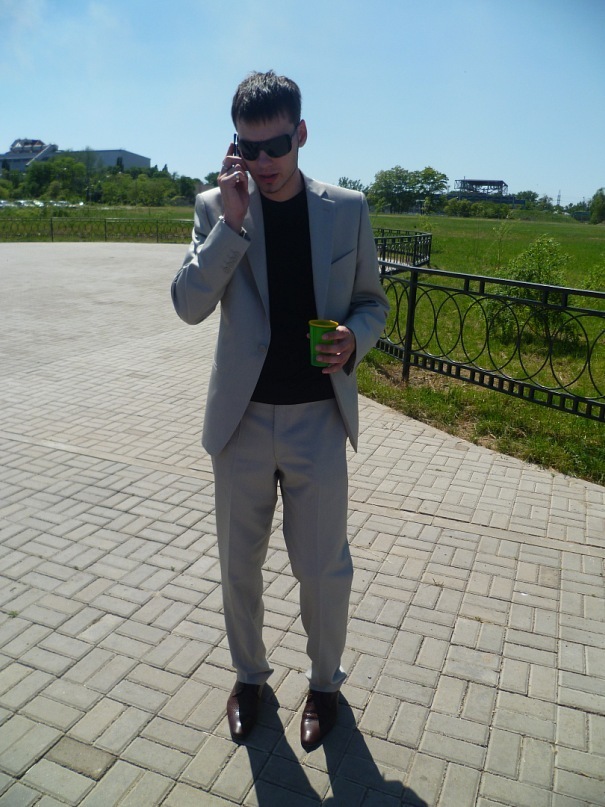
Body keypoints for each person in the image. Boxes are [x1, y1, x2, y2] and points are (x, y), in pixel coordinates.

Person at [171, 70, 389, 748]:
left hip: (317, 419)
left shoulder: (346, 209)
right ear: (234, 145)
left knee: (323, 568)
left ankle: (324, 685)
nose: (263, 162)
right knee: (239, 564)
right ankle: (248, 677)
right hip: (239, 421)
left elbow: (373, 303)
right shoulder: (217, 207)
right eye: (249, 147)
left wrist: (354, 338)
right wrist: (232, 224)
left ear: (301, 134)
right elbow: (187, 305)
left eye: (276, 146)